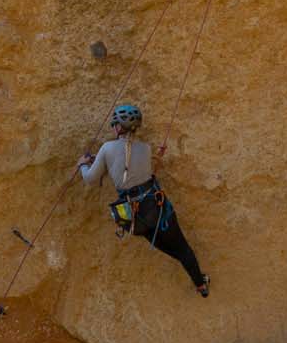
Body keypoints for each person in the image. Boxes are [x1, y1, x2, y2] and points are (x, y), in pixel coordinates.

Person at [77, 102, 209, 296]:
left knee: (164, 246)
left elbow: (90, 178)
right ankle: (201, 285)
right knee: (183, 248)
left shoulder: (107, 148)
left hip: (135, 217)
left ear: (118, 127)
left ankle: (189, 269)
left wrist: (82, 165)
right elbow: (139, 168)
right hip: (157, 208)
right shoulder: (146, 149)